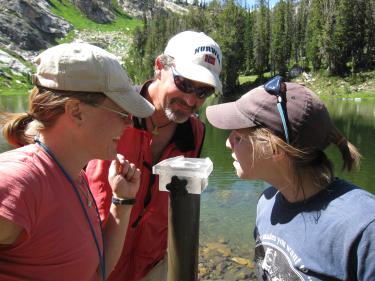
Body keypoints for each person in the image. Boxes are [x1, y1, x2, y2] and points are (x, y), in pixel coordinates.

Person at [0, 42, 155, 281]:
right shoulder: (18, 182)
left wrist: (122, 203)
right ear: (76, 111)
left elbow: (96, 271)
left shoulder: (71, 174)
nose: (128, 124)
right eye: (123, 113)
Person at [205, 76, 375, 280]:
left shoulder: (363, 228)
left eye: (238, 138)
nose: (227, 144)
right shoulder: (266, 203)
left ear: (275, 148)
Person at [85, 30, 223, 281]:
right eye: (185, 84)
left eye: (203, 92)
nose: (191, 100)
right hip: (93, 265)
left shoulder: (196, 133)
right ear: (160, 67)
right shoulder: (113, 112)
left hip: (152, 267)